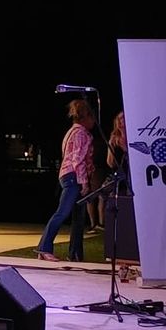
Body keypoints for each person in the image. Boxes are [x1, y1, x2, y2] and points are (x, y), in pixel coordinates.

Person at [36, 97, 96, 262]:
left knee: (78, 217)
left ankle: (75, 254)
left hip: (68, 174)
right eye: (92, 118)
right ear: (86, 117)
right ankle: (44, 247)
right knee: (62, 212)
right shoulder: (81, 134)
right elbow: (78, 160)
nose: (94, 122)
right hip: (73, 176)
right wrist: (84, 182)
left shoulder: (72, 132)